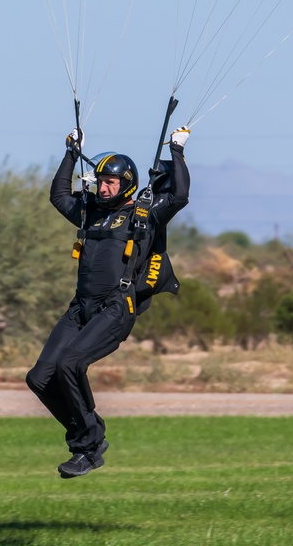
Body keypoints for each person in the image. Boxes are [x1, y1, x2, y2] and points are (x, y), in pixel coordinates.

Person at [26, 126, 191, 478]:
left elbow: (178, 196)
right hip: (81, 308)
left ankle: (88, 445)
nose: (102, 188)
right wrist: (71, 153)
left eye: (110, 183)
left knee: (70, 364)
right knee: (39, 377)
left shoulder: (143, 216)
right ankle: (85, 431)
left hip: (116, 308)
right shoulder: (88, 212)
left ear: (127, 184)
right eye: (99, 181)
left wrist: (176, 152)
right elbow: (58, 196)